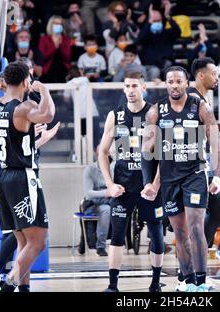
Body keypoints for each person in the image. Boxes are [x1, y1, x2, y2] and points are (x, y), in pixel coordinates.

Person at [0, 61, 55, 292]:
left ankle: (23, 289)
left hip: (2, 178)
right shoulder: (23, 107)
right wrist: (44, 90)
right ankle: (5, 285)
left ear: (5, 81)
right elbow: (47, 114)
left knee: (23, 242)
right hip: (22, 178)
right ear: (26, 81)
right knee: (37, 242)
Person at [141, 66, 220, 292]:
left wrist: (217, 176)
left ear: (187, 83)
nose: (175, 85)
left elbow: (216, 144)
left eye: (179, 81)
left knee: (196, 226)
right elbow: (146, 151)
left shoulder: (200, 108)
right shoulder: (156, 111)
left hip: (195, 173)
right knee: (179, 232)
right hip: (169, 178)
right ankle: (187, 281)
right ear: (166, 84)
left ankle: (202, 281)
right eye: (170, 82)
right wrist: (149, 182)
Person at [98, 71, 164, 292]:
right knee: (117, 234)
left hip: (149, 187)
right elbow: (102, 152)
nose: (131, 90)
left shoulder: (155, 113)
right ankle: (112, 285)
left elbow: (166, 153)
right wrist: (109, 184)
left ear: (143, 88)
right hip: (123, 186)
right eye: (127, 86)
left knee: (155, 233)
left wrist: (155, 185)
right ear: (123, 89)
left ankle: (155, 283)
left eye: (135, 85)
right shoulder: (115, 115)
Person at [187, 58, 220, 252]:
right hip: (187, 169)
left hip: (201, 166)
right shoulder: (189, 98)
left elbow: (213, 140)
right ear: (201, 75)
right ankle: (192, 259)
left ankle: (199, 250)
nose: (217, 78)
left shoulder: (204, 100)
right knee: (190, 220)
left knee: (219, 210)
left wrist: (216, 174)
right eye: (214, 74)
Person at [80, 145, 112, 256]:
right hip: (94, 203)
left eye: (107, 153)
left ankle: (120, 242)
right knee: (106, 209)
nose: (106, 156)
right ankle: (101, 246)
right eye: (103, 153)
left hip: (111, 200)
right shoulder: (90, 170)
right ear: (97, 155)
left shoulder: (113, 168)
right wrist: (106, 193)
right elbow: (88, 193)